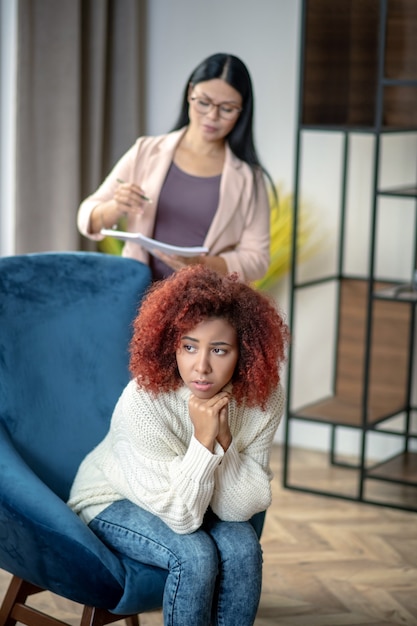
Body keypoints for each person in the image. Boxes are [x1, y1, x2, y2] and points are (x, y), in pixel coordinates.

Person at [67, 265, 289, 626]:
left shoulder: (264, 398)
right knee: (195, 556)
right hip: (111, 498)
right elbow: (183, 518)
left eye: (219, 350)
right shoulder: (144, 400)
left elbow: (242, 507)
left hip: (194, 498)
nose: (201, 367)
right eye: (189, 346)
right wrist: (203, 442)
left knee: (244, 548)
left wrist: (223, 439)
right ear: (171, 344)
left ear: (245, 352)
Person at [77, 52, 274, 282]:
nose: (212, 115)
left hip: (205, 306)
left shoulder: (250, 178)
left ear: (242, 111)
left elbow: (257, 259)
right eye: (203, 102)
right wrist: (116, 206)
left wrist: (202, 265)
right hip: (138, 298)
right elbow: (86, 217)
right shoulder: (146, 151)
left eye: (227, 109)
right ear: (190, 94)